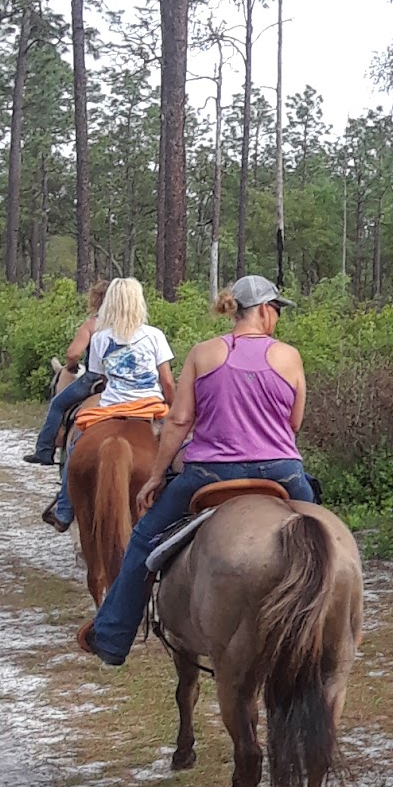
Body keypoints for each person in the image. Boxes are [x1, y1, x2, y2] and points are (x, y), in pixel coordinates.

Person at [79, 274, 315, 666]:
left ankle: (113, 635)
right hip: (281, 472)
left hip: (210, 473)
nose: (276, 316)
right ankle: (345, 620)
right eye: (275, 309)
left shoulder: (203, 354)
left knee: (143, 540)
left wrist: (155, 476)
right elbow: (295, 422)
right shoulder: (289, 356)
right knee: (326, 535)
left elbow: (177, 421)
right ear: (262, 310)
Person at [46, 278, 175, 530]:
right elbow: (167, 382)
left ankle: (63, 509)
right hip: (150, 407)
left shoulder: (100, 338)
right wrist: (177, 408)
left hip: (109, 408)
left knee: (75, 448)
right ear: (139, 302)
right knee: (181, 449)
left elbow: (97, 377)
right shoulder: (154, 335)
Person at [24, 280, 109, 465]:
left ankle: (44, 451)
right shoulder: (131, 325)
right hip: (129, 381)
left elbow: (73, 354)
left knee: (57, 404)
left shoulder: (92, 325)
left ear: (96, 299)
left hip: (94, 378)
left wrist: (71, 366)